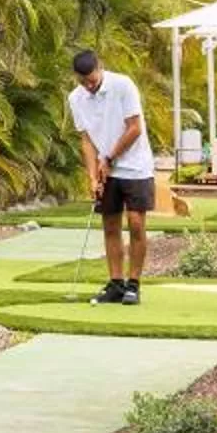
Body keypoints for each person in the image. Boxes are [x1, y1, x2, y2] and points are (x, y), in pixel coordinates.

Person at [67, 48, 152, 305]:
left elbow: (134, 128)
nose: (89, 86)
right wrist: (93, 177)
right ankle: (116, 283)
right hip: (106, 169)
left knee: (136, 223)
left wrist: (110, 158)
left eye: (92, 79)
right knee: (110, 225)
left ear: (100, 67)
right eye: (83, 82)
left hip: (135, 165)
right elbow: (86, 141)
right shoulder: (76, 98)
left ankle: (133, 284)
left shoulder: (123, 85)